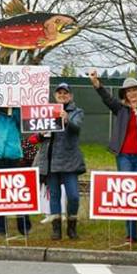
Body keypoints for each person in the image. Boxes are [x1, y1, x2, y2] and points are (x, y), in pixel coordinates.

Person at [90, 71, 137, 243]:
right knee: (127, 196)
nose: (131, 94)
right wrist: (97, 84)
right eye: (128, 91)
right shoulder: (121, 109)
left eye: (134, 90)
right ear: (125, 94)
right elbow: (107, 99)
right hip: (124, 157)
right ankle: (131, 235)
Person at [35, 82, 85, 240]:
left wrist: (67, 119)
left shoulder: (77, 112)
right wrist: (41, 133)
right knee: (54, 195)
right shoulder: (46, 112)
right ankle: (56, 228)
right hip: (50, 160)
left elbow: (77, 128)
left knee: (74, 196)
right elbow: (37, 136)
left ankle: (72, 224)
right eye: (59, 93)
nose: (62, 96)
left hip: (69, 160)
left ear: (70, 96)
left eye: (65, 93)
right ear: (54, 95)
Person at [0, 105, 32, 237]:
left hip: (14, 155)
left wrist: (14, 107)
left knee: (19, 192)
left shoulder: (17, 111)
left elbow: (22, 120)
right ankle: (0, 229)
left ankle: (24, 227)